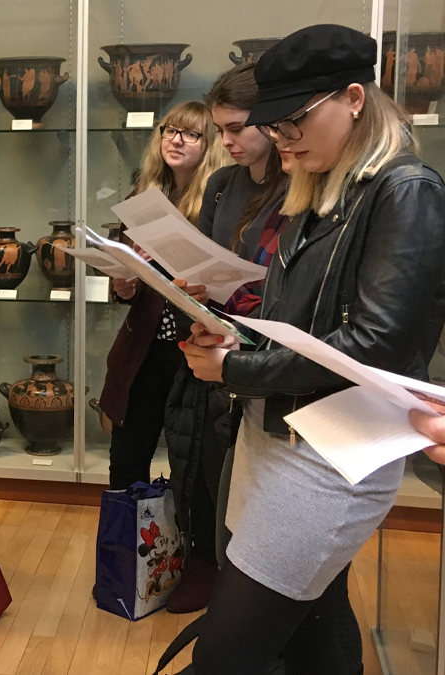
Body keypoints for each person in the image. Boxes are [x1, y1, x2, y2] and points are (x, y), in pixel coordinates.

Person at [181, 25, 445, 674]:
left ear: (354, 98)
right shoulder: (322, 194)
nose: (281, 139)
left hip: (327, 461)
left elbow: (374, 344)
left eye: (293, 122)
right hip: (277, 439)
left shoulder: (404, 190)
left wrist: (235, 366)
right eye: (275, 125)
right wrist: (233, 334)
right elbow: (293, 322)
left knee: (225, 653)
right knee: (311, 634)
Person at [161, 63, 290, 613]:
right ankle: (218, 580)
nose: (228, 141)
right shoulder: (220, 185)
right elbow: (216, 267)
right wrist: (192, 284)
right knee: (215, 476)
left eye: (238, 128)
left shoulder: (300, 180)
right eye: (221, 130)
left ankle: (250, 607)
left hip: (273, 353)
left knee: (264, 502)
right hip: (223, 344)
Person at [99, 101, 228, 490]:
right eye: (169, 131)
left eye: (191, 134)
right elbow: (127, 277)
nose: (176, 140)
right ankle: (125, 550)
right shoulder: (144, 194)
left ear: (209, 145)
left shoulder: (220, 199)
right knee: (125, 465)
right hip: (144, 348)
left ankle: (179, 550)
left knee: (189, 474)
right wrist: (123, 284)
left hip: (195, 351)